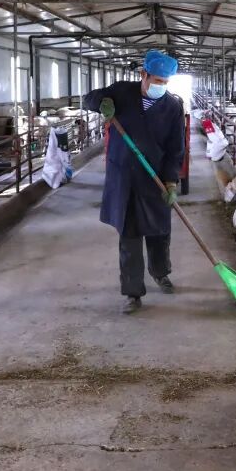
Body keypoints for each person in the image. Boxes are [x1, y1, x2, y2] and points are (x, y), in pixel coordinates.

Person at [84, 50, 186, 314]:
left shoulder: (173, 107)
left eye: (165, 82)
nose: (161, 86)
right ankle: (132, 292)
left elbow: (176, 148)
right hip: (125, 178)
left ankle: (161, 273)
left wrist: (171, 182)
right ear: (143, 74)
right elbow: (88, 98)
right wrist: (102, 103)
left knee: (159, 231)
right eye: (157, 81)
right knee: (129, 236)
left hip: (155, 177)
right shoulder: (122, 92)